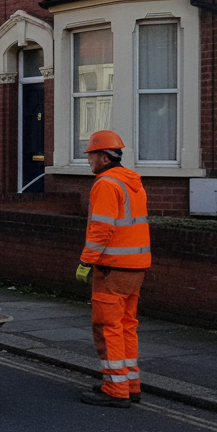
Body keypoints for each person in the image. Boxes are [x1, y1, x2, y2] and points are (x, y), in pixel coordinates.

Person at [76, 130, 150, 408]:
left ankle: (115, 389)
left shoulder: (106, 184)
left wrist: (86, 261)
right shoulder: (133, 183)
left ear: (104, 156)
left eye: (91, 156)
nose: (89, 162)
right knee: (127, 325)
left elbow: (101, 229)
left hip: (112, 268)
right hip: (135, 266)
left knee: (107, 327)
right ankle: (130, 384)